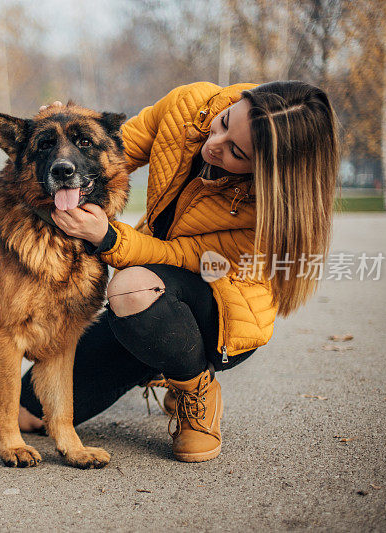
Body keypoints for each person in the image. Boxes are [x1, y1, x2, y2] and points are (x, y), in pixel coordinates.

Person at [18, 81, 340, 462]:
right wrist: (66, 135)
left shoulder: (271, 214)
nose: (213, 144)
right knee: (28, 414)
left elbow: (179, 255)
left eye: (235, 151)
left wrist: (106, 237)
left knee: (131, 287)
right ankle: (157, 355)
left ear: (270, 173)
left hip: (218, 314)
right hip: (152, 295)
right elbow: (115, 151)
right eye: (222, 122)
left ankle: (194, 387)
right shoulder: (189, 105)